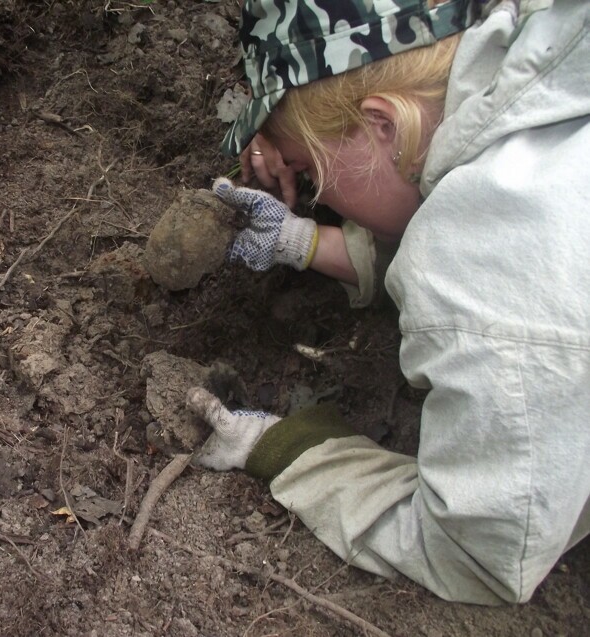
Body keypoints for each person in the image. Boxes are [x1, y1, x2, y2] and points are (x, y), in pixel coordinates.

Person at [186, 0, 590, 605]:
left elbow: (478, 553)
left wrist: (289, 451)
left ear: (385, 125)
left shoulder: (490, 269)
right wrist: (304, 241)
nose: (316, 194)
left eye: (312, 177)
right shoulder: (540, 43)